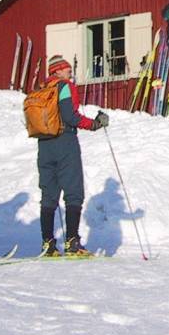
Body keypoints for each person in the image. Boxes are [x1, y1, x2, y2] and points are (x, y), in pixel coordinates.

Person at [37, 54, 108, 257]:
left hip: (44, 145)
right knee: (73, 191)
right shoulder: (64, 87)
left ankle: (48, 244)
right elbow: (70, 116)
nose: (71, 73)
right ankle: (72, 242)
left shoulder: (41, 89)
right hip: (64, 142)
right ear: (57, 71)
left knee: (48, 195)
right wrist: (94, 124)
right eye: (67, 70)